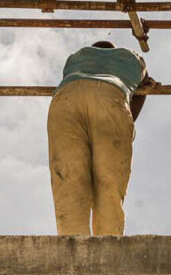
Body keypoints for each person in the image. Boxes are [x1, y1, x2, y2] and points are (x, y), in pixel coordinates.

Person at [47, 40, 155, 236]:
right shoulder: (133, 58)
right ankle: (108, 242)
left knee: (67, 176)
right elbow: (144, 89)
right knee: (109, 181)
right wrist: (125, 125)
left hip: (65, 98)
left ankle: (71, 242)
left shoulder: (75, 58)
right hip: (110, 95)